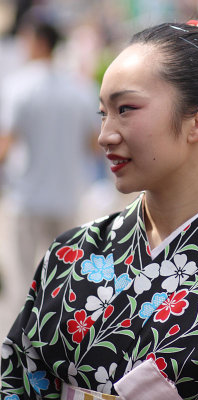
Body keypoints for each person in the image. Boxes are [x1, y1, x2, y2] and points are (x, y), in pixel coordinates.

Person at [1, 18, 198, 400]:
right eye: (103, 114)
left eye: (126, 109)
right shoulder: (70, 253)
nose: (105, 135)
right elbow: (19, 380)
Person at [0, 17, 100, 286]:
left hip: (26, 197)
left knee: (24, 282)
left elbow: (5, 145)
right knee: (64, 280)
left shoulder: (16, 86)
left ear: (39, 43)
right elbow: (94, 145)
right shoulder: (81, 88)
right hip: (69, 196)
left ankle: (27, 329)